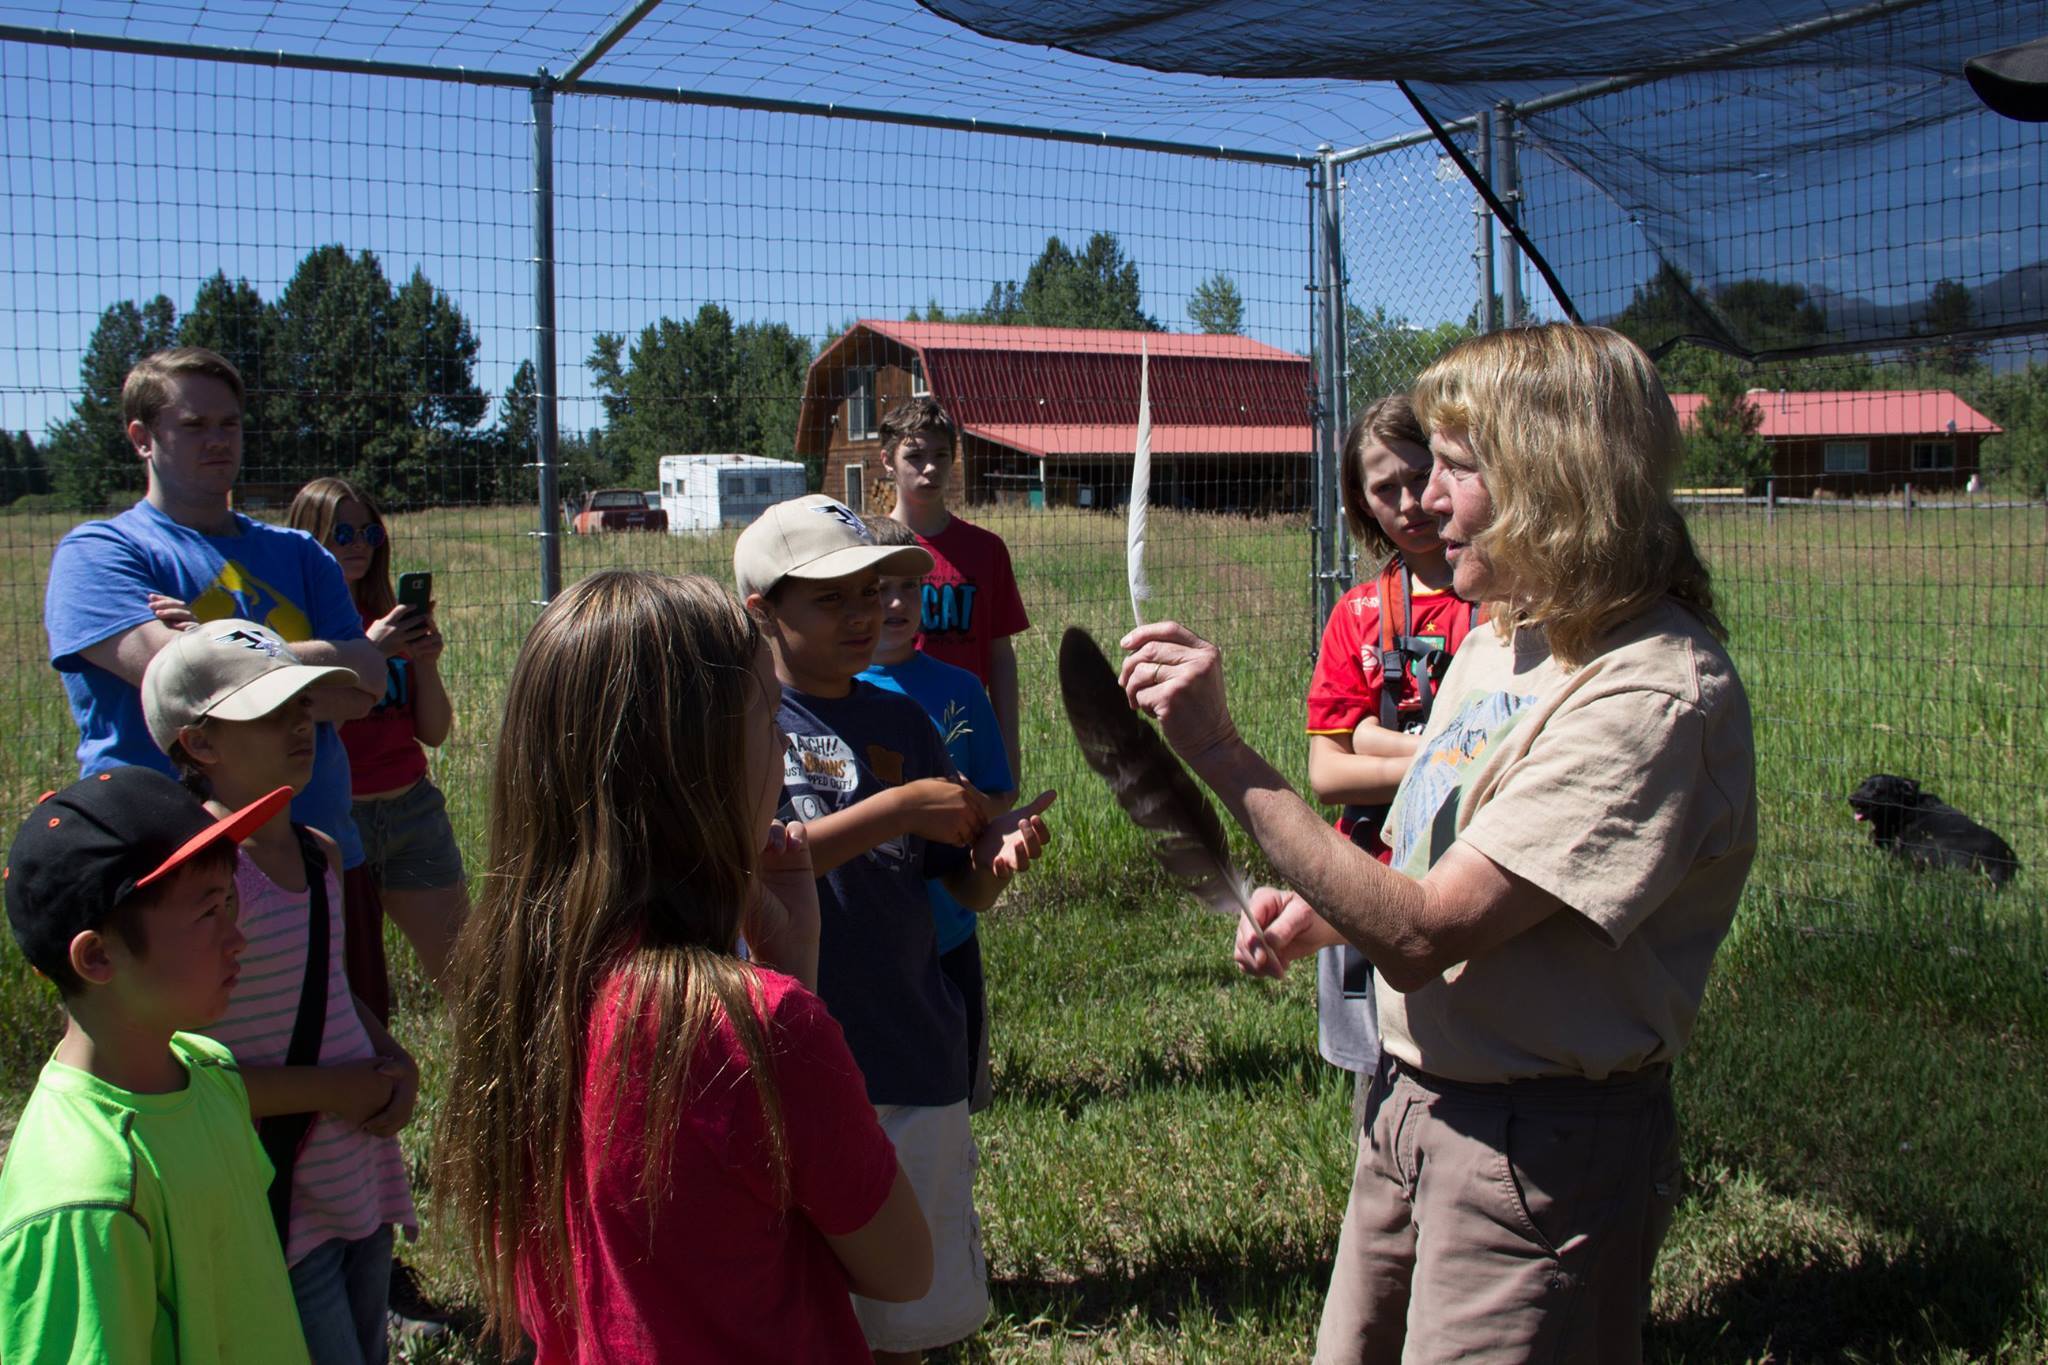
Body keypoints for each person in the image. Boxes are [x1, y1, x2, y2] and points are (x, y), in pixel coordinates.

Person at [1119, 324, 1757, 1363]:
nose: (1425, 502)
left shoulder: (1649, 696)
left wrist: (1221, 753)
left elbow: (1422, 935)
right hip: (1409, 1105)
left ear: (1552, 480)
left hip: (1533, 1148)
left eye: (1455, 469)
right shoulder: (1502, 639)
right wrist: (1324, 912)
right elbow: (1426, 861)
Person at [434, 570, 934, 1363]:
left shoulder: (522, 991)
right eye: (771, 723)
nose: (781, 753)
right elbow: (905, 1268)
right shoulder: (760, 1028)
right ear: (696, 768)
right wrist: (795, 989)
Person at [736, 495, 1054, 1363]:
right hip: (782, 1061)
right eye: (833, 598)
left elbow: (948, 884)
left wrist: (989, 867)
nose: (867, 614)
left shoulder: (903, 722)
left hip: (910, 1048)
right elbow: (757, 861)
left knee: (911, 1317)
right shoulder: (744, 725)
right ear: (762, 610)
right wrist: (902, 806)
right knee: (798, 1308)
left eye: (874, 592)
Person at [42, 346, 385, 952]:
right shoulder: (98, 555)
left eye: (229, 423)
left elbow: (366, 684)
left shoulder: (302, 552)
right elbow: (179, 688)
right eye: (193, 426)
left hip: (319, 856)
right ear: (142, 437)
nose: (218, 440)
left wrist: (206, 645)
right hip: (171, 873)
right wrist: (314, 676)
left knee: (345, 1035)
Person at [143, 621, 419, 1365]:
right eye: (270, 712)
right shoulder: (198, 887)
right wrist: (333, 1087)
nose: (301, 726)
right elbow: (189, 1073)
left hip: (351, 1167)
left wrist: (391, 1057)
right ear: (200, 744)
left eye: (305, 707)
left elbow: (328, 988)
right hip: (270, 1186)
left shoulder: (318, 851)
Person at [0, 768, 310, 1364]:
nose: (237, 937)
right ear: (96, 957)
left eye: (230, 901)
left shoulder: (208, 1071)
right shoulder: (87, 1198)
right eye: (205, 914)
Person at [1300, 395, 1481, 1121]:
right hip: (1368, 874)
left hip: (1464, 880)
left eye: (1418, 476)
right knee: (1375, 1088)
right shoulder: (1360, 613)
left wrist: (1378, 741)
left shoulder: (1498, 603)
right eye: (1384, 489)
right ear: (1360, 501)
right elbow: (1327, 773)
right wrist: (1441, 752)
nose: (1409, 503)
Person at [284, 476, 465, 1009]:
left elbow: (432, 733)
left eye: (369, 531)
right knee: (343, 992)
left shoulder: (389, 616)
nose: (360, 543)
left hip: (412, 813)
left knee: (467, 976)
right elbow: (307, 730)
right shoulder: (300, 632)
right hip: (335, 821)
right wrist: (370, 652)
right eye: (341, 533)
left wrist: (425, 663)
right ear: (309, 537)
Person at [859, 514, 1016, 1113]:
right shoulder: (829, 694)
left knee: (950, 1097)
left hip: (948, 928)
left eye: (909, 589)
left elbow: (997, 792)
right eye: (878, 588)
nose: (895, 603)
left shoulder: (961, 690)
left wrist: (976, 805)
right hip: (863, 938)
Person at [881, 398, 1030, 784]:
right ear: (887, 461)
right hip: (887, 723)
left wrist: (1008, 747)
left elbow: (1000, 654)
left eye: (941, 455)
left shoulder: (986, 550)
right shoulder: (867, 549)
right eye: (914, 455)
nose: (929, 468)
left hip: (966, 727)